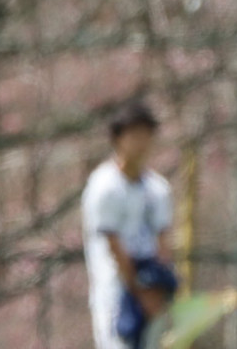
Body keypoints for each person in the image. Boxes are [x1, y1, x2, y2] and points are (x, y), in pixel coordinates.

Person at [81, 100, 176, 349]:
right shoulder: (105, 187)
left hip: (153, 289)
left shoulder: (158, 189)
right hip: (116, 290)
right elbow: (112, 245)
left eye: (146, 134)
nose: (141, 142)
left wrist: (159, 288)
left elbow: (163, 244)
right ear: (118, 138)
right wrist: (139, 290)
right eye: (134, 134)